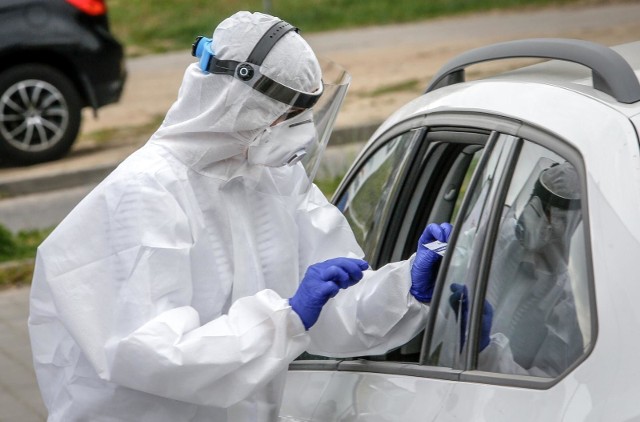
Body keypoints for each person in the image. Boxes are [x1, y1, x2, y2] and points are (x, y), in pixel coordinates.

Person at [28, 11, 449, 421]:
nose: (299, 130)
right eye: (287, 115)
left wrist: (405, 288)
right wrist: (284, 320)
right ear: (237, 101)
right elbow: (152, 353)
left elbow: (334, 310)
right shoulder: (144, 194)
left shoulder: (274, 180)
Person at [475, 160, 585, 377]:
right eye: (536, 206)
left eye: (561, 218)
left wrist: (485, 351)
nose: (539, 219)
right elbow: (461, 255)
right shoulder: (502, 244)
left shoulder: (573, 300)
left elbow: (546, 381)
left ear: (578, 223)